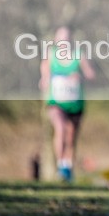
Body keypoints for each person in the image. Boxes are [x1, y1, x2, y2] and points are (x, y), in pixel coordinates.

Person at [39, 26, 95, 182]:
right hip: (56, 101)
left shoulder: (78, 55)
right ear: (56, 40)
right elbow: (44, 70)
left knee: (71, 137)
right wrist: (44, 79)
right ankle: (61, 165)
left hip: (75, 102)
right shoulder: (51, 54)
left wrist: (80, 76)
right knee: (60, 128)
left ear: (70, 40)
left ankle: (68, 166)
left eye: (66, 38)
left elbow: (91, 75)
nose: (64, 41)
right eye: (61, 38)